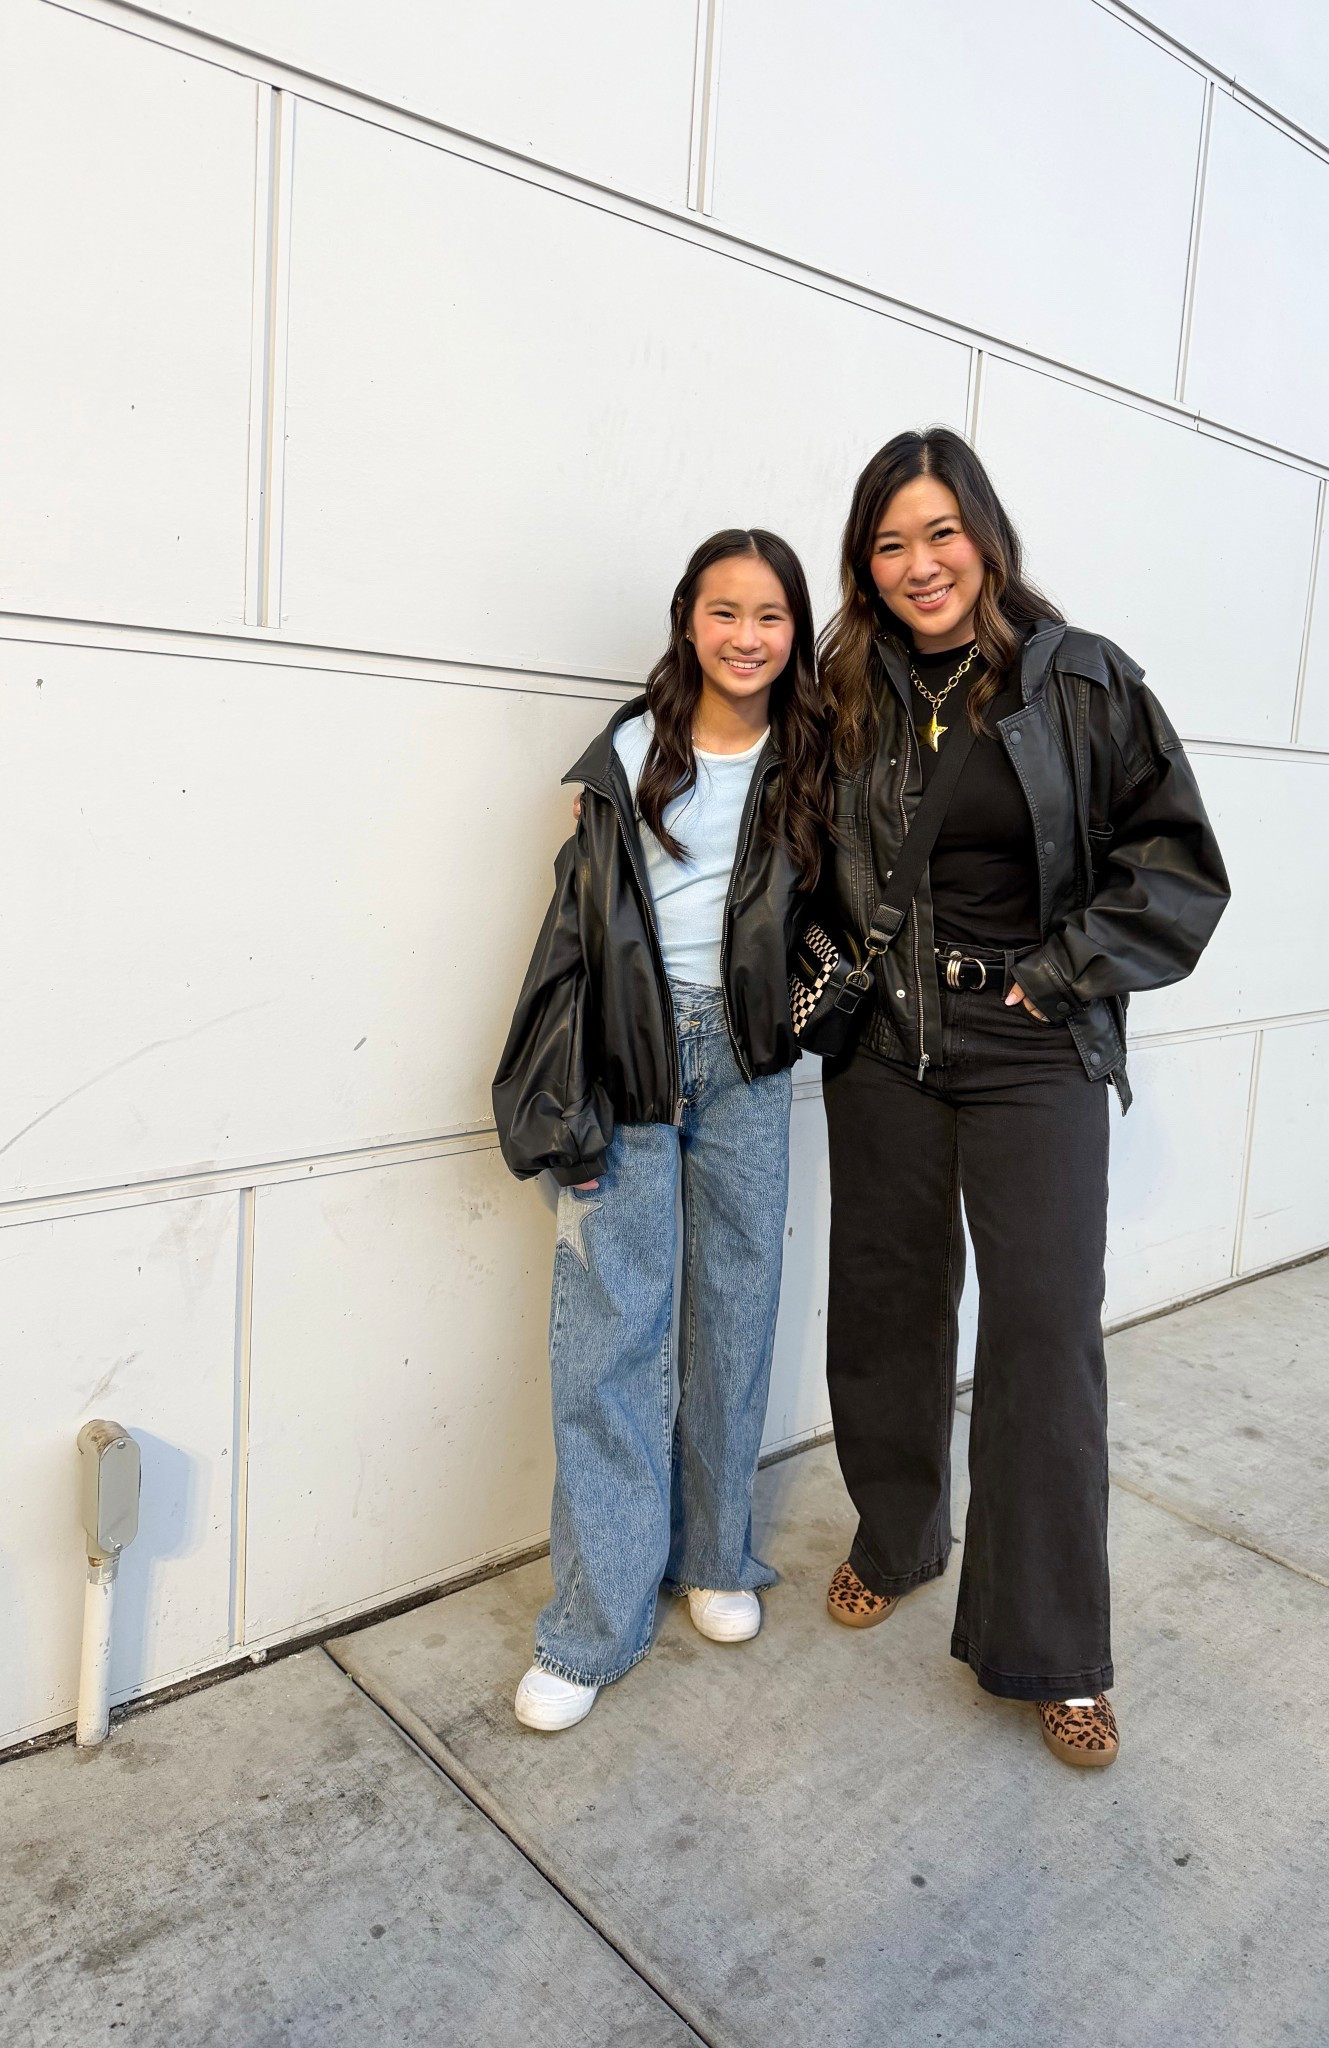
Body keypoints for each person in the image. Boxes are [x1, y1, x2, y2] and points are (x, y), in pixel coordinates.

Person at [816, 428, 1229, 1767]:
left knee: (1046, 1336)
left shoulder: (1082, 682)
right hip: (887, 1047)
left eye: (940, 532)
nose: (919, 564)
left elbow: (1175, 863)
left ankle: (1051, 1644)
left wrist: (1057, 979)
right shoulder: (846, 692)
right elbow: (791, 850)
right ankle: (896, 1534)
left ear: (985, 535)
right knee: (885, 1299)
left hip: (1031, 1042)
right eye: (890, 542)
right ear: (864, 565)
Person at [492, 529, 832, 1731]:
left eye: (773, 615)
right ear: (689, 618)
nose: (748, 636)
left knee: (735, 1311)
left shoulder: (813, 759)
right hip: (633, 1058)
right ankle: (590, 1626)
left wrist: (813, 999)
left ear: (797, 631)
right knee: (612, 1333)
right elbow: (577, 930)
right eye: (725, 610)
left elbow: (843, 909)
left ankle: (716, 1557)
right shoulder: (630, 753)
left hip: (748, 1064)